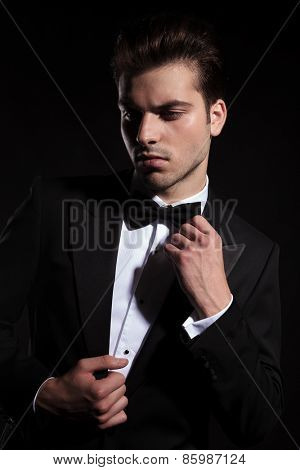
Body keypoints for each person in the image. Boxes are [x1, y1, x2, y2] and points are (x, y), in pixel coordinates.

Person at [0, 12, 283, 450]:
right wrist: (42, 393)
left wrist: (216, 309)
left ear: (216, 116)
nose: (145, 134)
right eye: (131, 114)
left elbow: (266, 433)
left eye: (170, 113)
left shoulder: (256, 255)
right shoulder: (53, 205)